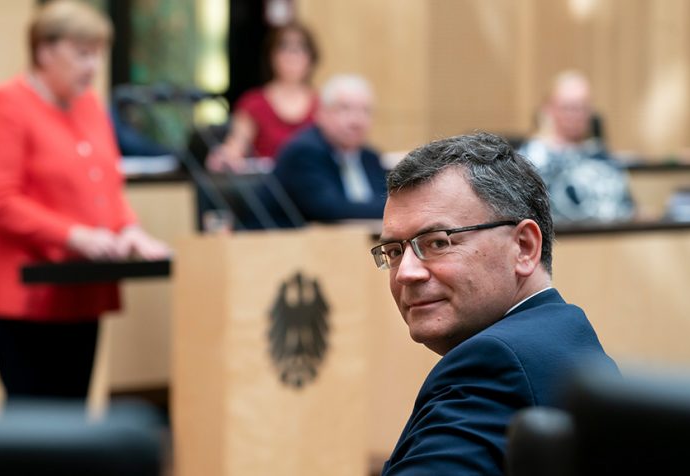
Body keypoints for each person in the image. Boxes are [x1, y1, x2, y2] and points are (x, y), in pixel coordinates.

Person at [372, 132, 618, 474]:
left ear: (524, 247)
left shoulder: (493, 365)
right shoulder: (564, 332)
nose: (405, 274)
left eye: (437, 243)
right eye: (395, 251)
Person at [0, 0, 170, 404]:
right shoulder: (8, 104)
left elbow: (109, 187)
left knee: (73, 422)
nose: (92, 67)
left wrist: (129, 230)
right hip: (22, 295)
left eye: (96, 55)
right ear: (44, 51)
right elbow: (2, 201)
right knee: (36, 428)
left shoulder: (90, 106)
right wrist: (74, 235)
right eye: (81, 54)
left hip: (80, 292)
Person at [519, 70, 635, 223]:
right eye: (568, 107)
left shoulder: (600, 154)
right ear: (548, 109)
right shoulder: (533, 157)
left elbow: (627, 205)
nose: (576, 114)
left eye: (583, 107)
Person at [270, 74, 386, 223]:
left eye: (365, 111)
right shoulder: (304, 152)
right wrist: (396, 209)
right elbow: (330, 210)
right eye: (345, 109)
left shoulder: (370, 157)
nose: (357, 121)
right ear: (322, 113)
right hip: (280, 243)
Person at [206, 22, 320, 172]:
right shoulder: (254, 103)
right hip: (270, 188)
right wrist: (224, 156)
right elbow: (236, 146)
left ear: (311, 58)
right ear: (272, 56)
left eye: (300, 49)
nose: (292, 56)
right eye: (284, 48)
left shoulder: (324, 105)